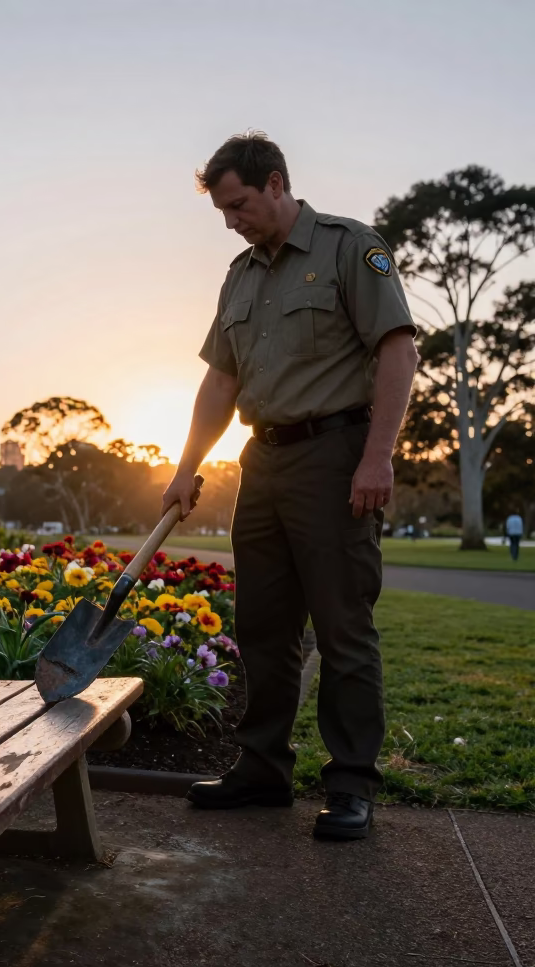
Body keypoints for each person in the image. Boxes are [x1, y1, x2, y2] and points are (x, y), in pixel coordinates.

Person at [163, 132, 419, 841]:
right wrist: (185, 467)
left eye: (239, 204)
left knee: (342, 628)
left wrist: (377, 456)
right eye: (222, 211)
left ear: (276, 183)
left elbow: (398, 350)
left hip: (336, 456)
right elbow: (221, 381)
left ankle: (351, 783)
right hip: (263, 463)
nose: (231, 221)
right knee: (263, 626)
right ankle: (263, 769)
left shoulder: (348, 248)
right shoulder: (240, 275)